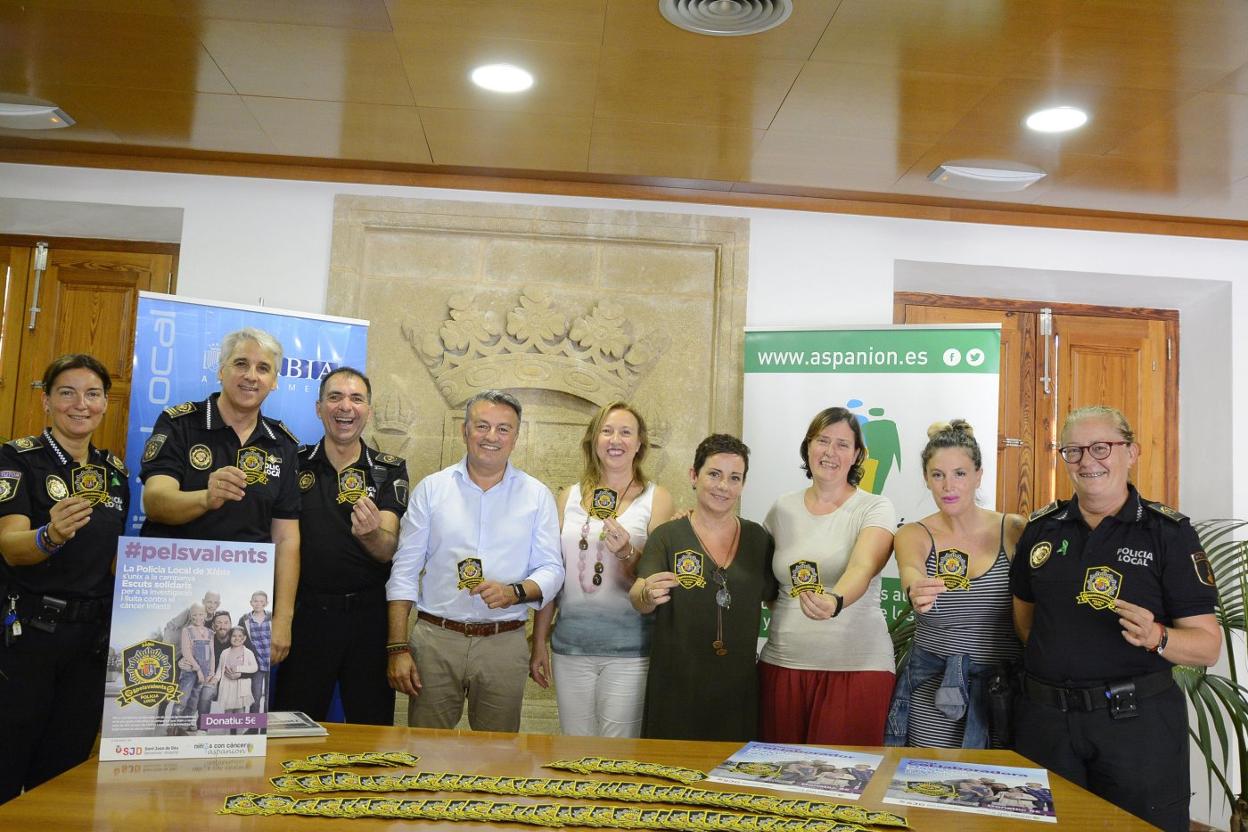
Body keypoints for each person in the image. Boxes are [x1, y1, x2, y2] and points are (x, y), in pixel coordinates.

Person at [1011, 405, 1221, 832]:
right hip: (1046, 725)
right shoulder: (1041, 529)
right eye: (1073, 450)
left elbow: (1208, 646)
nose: (1087, 461)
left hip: (1135, 728)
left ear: (1132, 452)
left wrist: (1157, 636)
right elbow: (1026, 624)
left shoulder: (1168, 533)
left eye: (1101, 448)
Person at [386, 390, 563, 731]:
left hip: (504, 643)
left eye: (503, 429)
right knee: (426, 748)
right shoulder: (432, 490)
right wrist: (397, 647)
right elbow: (404, 571)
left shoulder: (537, 496)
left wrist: (515, 592)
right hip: (436, 641)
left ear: (515, 437)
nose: (491, 436)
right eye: (482, 426)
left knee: (498, 754)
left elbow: (552, 569)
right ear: (464, 430)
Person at [0, 354, 129, 803]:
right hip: (31, 637)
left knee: (65, 773)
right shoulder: (17, 458)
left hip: (90, 644)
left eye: (93, 394)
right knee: (7, 761)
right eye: (67, 393)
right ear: (46, 401)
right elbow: (10, 546)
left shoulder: (115, 473)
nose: (81, 404)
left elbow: (112, 560)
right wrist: (50, 535)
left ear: (105, 403)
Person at [140, 327, 301, 669]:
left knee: (230, 687)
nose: (251, 375)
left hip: (242, 598)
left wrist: (283, 619)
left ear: (274, 381)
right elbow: (154, 502)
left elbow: (287, 538)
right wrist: (205, 498)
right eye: (241, 363)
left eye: (263, 368)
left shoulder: (283, 444)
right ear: (221, 370)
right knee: (167, 684)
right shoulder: (180, 424)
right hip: (174, 589)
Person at [529, 402, 673, 737]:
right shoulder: (568, 497)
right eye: (607, 431)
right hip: (569, 646)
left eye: (625, 432)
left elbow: (655, 578)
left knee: (618, 752)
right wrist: (538, 643)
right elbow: (552, 573)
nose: (615, 440)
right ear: (594, 440)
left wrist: (626, 552)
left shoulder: (657, 498)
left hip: (630, 650)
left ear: (639, 443)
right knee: (574, 748)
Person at [273, 367, 407, 725]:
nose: (345, 407)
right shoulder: (292, 463)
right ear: (319, 408)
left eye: (356, 399)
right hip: (306, 617)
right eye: (335, 397)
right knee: (291, 727)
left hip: (368, 620)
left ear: (368, 411)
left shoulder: (388, 470)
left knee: (373, 729)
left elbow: (386, 549)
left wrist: (371, 534)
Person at [757, 407, 896, 745]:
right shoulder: (781, 508)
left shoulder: (875, 507)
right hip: (782, 664)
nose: (830, 452)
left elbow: (862, 567)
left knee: (842, 774)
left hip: (857, 669)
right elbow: (760, 576)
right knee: (776, 773)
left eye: (842, 444)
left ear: (857, 455)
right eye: (822, 440)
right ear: (808, 446)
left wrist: (834, 601)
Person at [885, 420, 1025, 749]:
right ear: (926, 479)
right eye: (938, 475)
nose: (949, 486)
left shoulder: (1014, 529)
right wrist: (916, 587)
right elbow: (911, 568)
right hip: (934, 692)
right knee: (928, 775)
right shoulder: (914, 533)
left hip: (1003, 694)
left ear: (978, 475)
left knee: (999, 779)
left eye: (960, 473)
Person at [631, 433, 777, 742]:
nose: (723, 486)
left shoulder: (758, 539)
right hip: (675, 688)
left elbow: (776, 599)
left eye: (734, 478)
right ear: (694, 476)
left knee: (733, 770)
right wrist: (646, 594)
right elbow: (639, 594)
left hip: (737, 691)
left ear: (743, 485)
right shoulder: (668, 536)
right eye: (714, 474)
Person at [173, 603, 213, 728]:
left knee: (194, 700)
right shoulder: (187, 631)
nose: (197, 617)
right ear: (190, 616)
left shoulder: (210, 633)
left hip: (204, 671)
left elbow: (212, 654)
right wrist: (198, 669)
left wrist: (211, 671)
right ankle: (173, 726)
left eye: (200, 614)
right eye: (194, 615)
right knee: (183, 698)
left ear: (205, 615)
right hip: (190, 670)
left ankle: (184, 726)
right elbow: (186, 652)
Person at [210, 627, 258, 720]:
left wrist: (238, 668)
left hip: (241, 686)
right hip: (227, 686)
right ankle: (228, 728)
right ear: (229, 637)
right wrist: (215, 679)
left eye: (240, 636)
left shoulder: (248, 653)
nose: (237, 638)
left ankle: (239, 728)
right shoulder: (225, 653)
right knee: (228, 712)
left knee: (240, 711)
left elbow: (254, 668)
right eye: (234, 636)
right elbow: (220, 669)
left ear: (244, 638)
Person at [239, 590, 271, 715]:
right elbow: (240, 639)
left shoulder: (271, 617)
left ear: (266, 603)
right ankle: (254, 723)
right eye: (255, 601)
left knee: (268, 696)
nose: (258, 604)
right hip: (257, 663)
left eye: (261, 601)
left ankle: (266, 723)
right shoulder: (245, 619)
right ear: (251, 602)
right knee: (256, 696)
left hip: (270, 661)